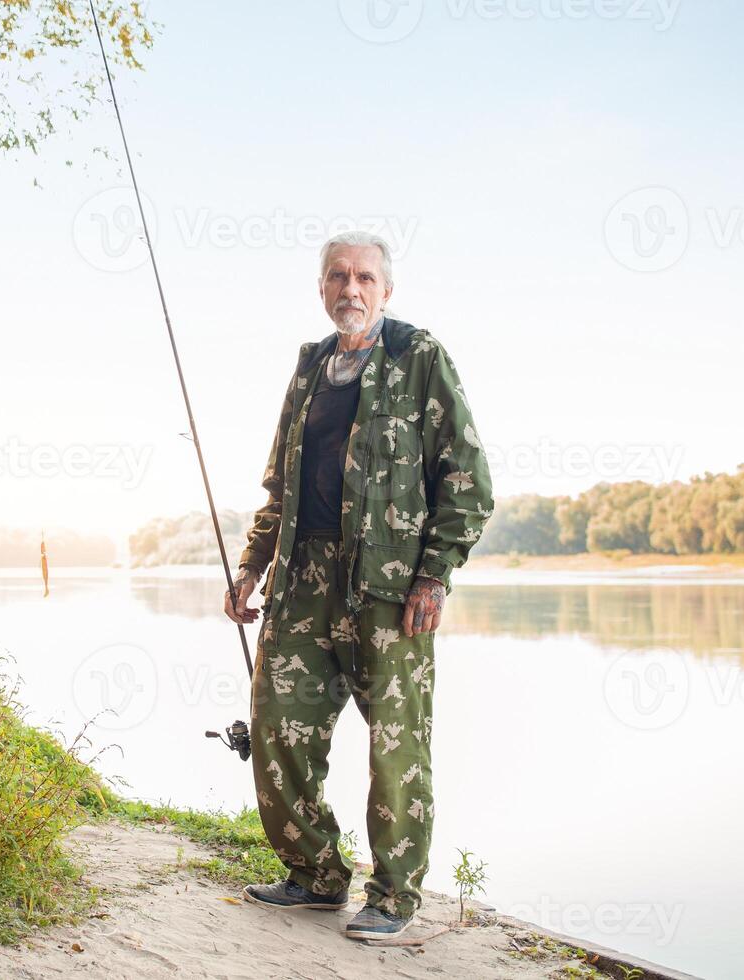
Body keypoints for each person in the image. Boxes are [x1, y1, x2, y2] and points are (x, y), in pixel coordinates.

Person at [224, 231, 494, 942]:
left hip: (387, 585)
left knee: (395, 745)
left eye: (365, 278)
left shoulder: (418, 357)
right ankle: (314, 874)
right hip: (302, 581)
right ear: (321, 289)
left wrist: (434, 575)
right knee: (279, 727)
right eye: (338, 276)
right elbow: (280, 485)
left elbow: (466, 480)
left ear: (386, 291)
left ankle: (394, 897)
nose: (351, 288)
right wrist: (251, 567)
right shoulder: (310, 366)